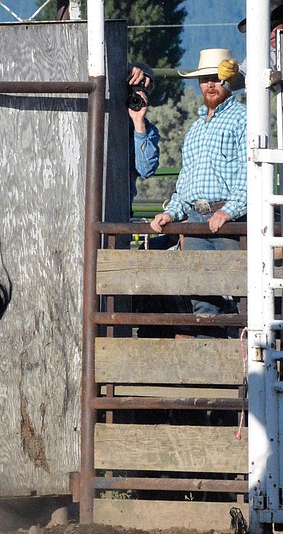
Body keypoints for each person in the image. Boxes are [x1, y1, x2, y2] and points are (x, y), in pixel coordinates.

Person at [149, 48, 247, 336]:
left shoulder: (242, 119)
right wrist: (171, 212)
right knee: (202, 300)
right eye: (205, 79)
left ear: (228, 82)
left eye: (216, 78)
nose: (210, 84)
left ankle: (237, 369)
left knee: (237, 295)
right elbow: (186, 182)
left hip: (231, 221)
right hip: (195, 219)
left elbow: (248, 171)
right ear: (199, 83)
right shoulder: (195, 128)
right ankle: (212, 372)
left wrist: (229, 210)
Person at [127, 63, 161, 201]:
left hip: (120, 206)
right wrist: (127, 69)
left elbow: (146, 170)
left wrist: (138, 123)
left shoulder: (146, 130)